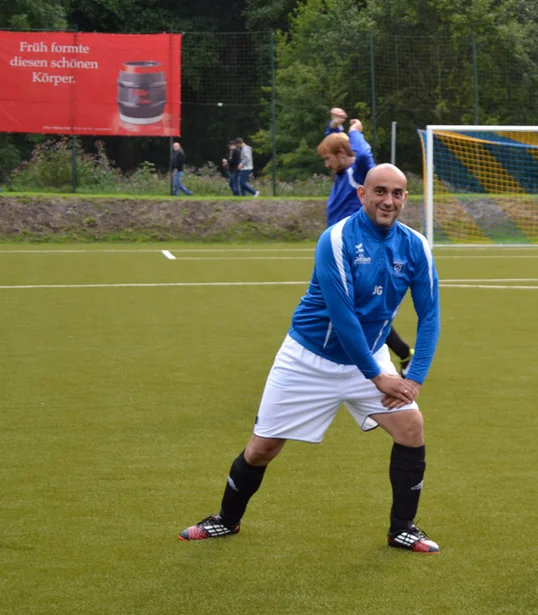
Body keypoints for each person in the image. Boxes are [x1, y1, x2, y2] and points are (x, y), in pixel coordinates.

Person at [179, 163, 442, 553]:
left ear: (405, 198)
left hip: (369, 358)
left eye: (397, 193)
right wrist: (377, 376)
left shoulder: (416, 245)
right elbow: (343, 316)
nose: (388, 201)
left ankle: (402, 528)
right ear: (362, 194)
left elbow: (430, 313)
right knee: (262, 449)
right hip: (307, 359)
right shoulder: (335, 239)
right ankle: (226, 519)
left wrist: (414, 376)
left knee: (411, 427)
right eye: (380, 191)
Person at [318, 107, 415, 376]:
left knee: (360, 311)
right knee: (355, 310)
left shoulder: (358, 172)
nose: (326, 164)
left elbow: (362, 155)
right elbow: (336, 146)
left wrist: (354, 132)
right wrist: (334, 127)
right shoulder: (343, 173)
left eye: (328, 159)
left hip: (359, 250)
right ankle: (400, 355)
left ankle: (388, 360)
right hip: (338, 249)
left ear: (342, 154)